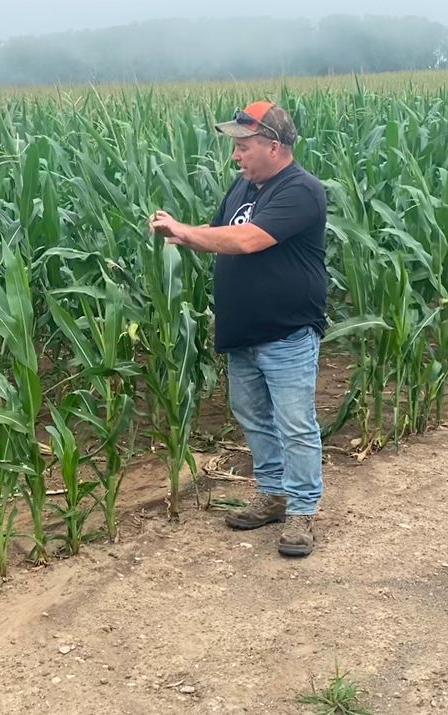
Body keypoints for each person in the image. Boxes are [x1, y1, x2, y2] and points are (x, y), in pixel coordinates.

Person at [149, 100, 328, 558]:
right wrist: (178, 234)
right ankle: (272, 494)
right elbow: (219, 233)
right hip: (243, 331)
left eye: (243, 147)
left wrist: (188, 232)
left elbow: (248, 240)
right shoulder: (243, 187)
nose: (236, 156)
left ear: (273, 146)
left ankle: (303, 511)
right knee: (253, 417)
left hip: (286, 332)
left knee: (295, 424)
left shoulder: (301, 190)